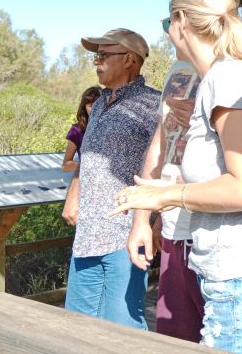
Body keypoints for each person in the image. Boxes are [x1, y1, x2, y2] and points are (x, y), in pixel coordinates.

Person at [112, 0, 242, 353]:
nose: (169, 32)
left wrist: (169, 195)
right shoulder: (226, 75)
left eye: (168, 23)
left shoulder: (227, 78)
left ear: (182, 22)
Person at [125, 50, 242, 343]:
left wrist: (213, 118)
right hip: (175, 231)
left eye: (173, 20)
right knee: (176, 342)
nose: (171, 30)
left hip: (237, 242)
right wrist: (143, 219)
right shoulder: (178, 70)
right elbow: (160, 142)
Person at [62, 28, 160, 330]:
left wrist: (155, 223)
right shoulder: (100, 103)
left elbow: (168, 166)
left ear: (129, 59)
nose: (96, 61)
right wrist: (73, 193)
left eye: (103, 55)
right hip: (88, 232)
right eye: (96, 55)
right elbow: (87, 155)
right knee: (77, 326)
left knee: (122, 328)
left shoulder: (155, 105)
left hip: (126, 234)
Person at [61, 86, 101, 173]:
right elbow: (65, 166)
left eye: (98, 105)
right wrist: (89, 166)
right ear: (84, 108)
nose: (95, 109)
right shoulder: (77, 130)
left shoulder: (113, 127)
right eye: (90, 106)